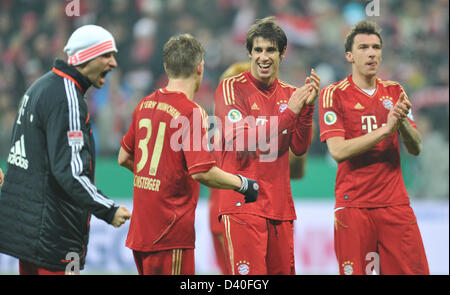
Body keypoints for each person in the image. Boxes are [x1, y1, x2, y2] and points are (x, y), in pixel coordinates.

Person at [117, 34, 259, 275]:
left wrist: (161, 178)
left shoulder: (145, 104)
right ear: (199, 67)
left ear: (166, 66)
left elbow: (123, 157)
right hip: (170, 232)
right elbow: (202, 171)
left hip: (141, 231)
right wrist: (244, 184)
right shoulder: (191, 112)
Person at [0, 25, 131, 275]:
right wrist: (108, 209)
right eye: (106, 55)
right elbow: (70, 171)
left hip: (28, 233)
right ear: (85, 57)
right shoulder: (66, 97)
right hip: (52, 236)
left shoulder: (41, 86)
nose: (113, 63)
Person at [318, 20, 429, 275]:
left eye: (376, 47)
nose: (371, 53)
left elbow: (416, 147)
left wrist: (401, 124)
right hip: (354, 207)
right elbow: (337, 150)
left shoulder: (395, 91)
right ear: (349, 55)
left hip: (395, 205)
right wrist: (385, 130)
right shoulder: (334, 94)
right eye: (363, 47)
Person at [213, 17, 320, 275]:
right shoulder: (231, 88)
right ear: (249, 52)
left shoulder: (289, 94)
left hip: (280, 208)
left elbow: (299, 147)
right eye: (258, 49)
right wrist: (291, 113)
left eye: (270, 50)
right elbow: (241, 140)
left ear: (282, 53)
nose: (263, 56)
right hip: (243, 206)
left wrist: (307, 109)